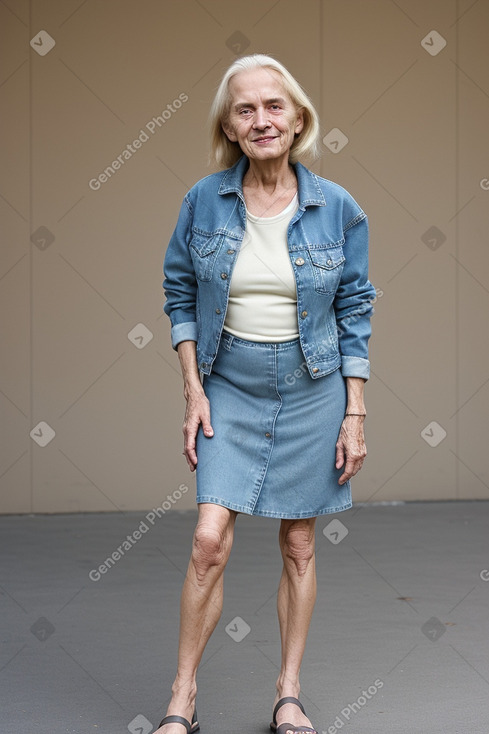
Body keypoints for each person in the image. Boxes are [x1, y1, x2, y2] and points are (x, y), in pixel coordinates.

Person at [159, 53, 376, 734]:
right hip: (229, 383)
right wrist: (193, 390)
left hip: (312, 387)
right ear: (228, 125)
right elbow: (178, 294)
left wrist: (354, 411)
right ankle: (181, 697)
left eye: (273, 106)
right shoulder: (203, 199)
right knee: (207, 541)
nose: (261, 120)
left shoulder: (337, 206)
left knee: (300, 545)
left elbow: (355, 309)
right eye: (245, 109)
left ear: (298, 117)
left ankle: (287, 693)